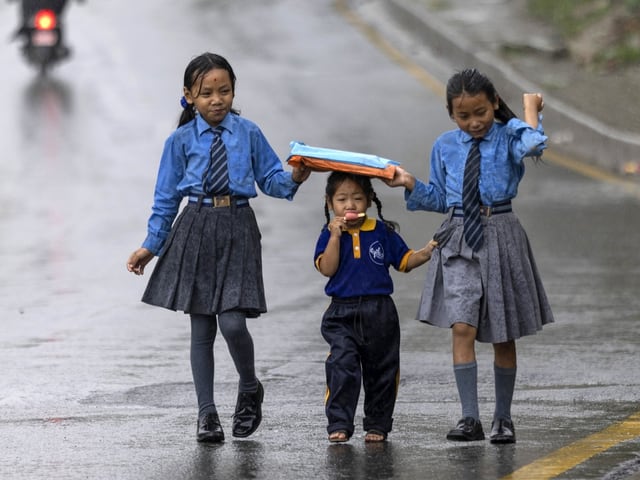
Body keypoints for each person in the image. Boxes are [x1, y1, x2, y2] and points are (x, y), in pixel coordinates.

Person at [126, 52, 310, 443]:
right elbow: (164, 199)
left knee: (232, 322)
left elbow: (273, 180)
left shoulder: (248, 133)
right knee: (201, 328)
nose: (216, 99)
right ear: (189, 96)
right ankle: (206, 414)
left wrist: (294, 176)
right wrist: (151, 246)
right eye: (206, 92)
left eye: (224, 91)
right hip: (194, 228)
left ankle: (248, 387)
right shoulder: (178, 141)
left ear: (233, 92)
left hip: (238, 228)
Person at [384, 68, 554, 444]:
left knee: (503, 333)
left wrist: (529, 110)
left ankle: (503, 419)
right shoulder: (444, 145)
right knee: (462, 325)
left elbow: (534, 146)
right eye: (464, 116)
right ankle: (469, 418)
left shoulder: (510, 136)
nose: (474, 122)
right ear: (450, 114)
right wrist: (410, 183)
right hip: (458, 236)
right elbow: (442, 198)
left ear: (494, 103)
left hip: (502, 232)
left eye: (481, 112)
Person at [314, 171, 436, 443]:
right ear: (329, 202)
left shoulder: (381, 231)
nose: (350, 205)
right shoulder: (328, 233)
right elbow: (327, 268)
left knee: (382, 370)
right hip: (341, 312)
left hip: (380, 311)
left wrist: (426, 252)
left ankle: (378, 425)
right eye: (342, 199)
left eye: (357, 198)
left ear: (369, 200)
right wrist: (335, 236)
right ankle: (339, 423)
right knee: (341, 365)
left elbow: (404, 262)